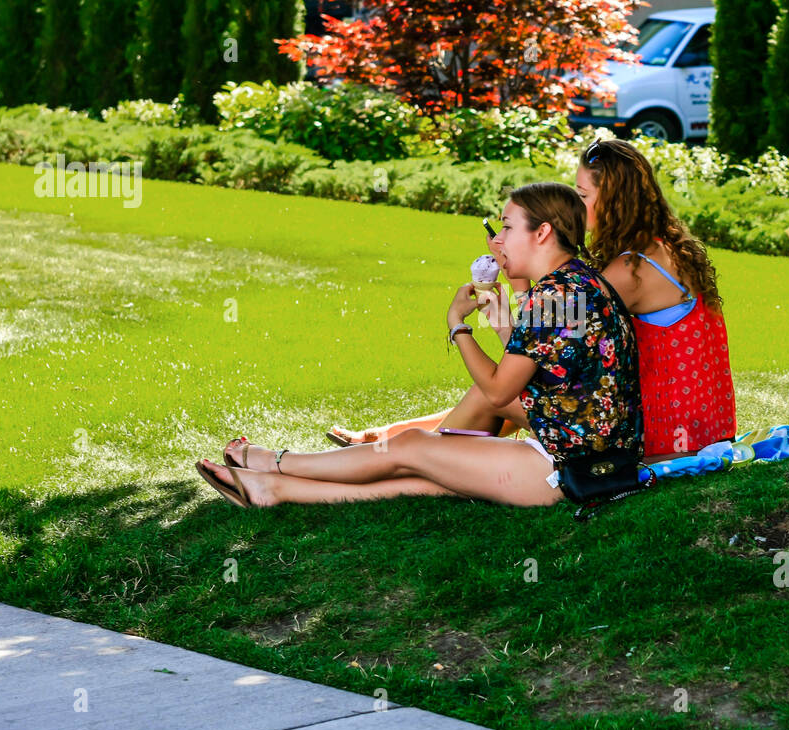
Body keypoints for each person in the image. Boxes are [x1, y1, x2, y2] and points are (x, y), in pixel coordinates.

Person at [197, 182, 643, 509]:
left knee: (411, 447)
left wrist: (457, 325)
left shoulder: (556, 296)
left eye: (507, 227)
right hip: (595, 458)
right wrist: (498, 314)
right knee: (423, 474)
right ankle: (270, 489)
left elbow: (498, 391)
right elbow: (542, 363)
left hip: (564, 468)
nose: (498, 239)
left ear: (542, 233)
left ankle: (277, 463)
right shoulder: (580, 282)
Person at [307, 137, 735, 461]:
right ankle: (382, 441)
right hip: (704, 426)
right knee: (509, 394)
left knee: (494, 394)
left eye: (582, 196)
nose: (574, 204)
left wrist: (516, 274)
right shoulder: (663, 248)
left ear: (616, 199)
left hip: (664, 436)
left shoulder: (627, 273)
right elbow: (544, 342)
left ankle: (401, 457)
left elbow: (535, 346)